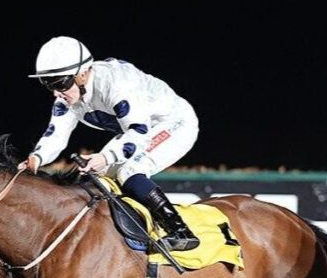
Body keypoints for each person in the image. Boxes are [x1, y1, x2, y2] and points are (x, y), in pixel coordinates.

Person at [18, 36, 200, 251]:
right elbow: (55, 135)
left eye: (59, 83)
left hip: (173, 123)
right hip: (139, 130)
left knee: (129, 170)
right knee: (98, 179)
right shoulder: (67, 97)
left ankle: (180, 231)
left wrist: (106, 157)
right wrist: (35, 159)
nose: (56, 93)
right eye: (48, 84)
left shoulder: (116, 85)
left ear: (82, 74)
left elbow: (138, 131)